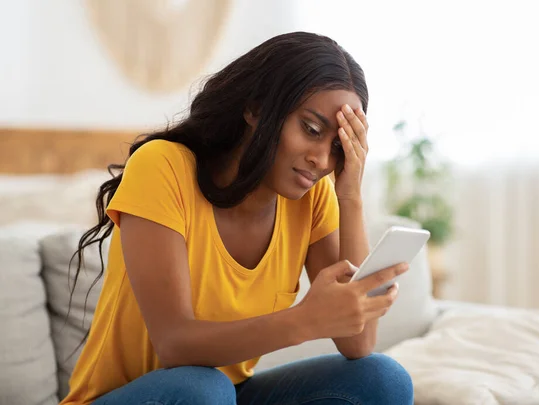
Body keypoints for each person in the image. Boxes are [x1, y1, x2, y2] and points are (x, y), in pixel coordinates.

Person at [61, 31, 414, 405]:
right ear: (256, 109)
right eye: (311, 130)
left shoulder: (313, 197)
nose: (322, 160)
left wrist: (351, 195)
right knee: (201, 390)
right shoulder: (162, 167)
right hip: (153, 397)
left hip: (224, 397)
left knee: (381, 379)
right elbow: (174, 345)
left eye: (338, 147)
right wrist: (305, 320)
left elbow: (358, 343)